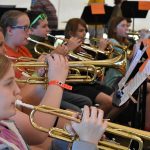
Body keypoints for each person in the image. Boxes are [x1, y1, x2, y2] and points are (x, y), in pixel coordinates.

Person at [0, 53, 107, 150]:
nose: (17, 90)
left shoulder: (5, 124)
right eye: (8, 83)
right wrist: (86, 144)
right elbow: (37, 133)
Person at [0, 10, 92, 113]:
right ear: (10, 30)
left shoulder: (23, 49)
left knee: (82, 105)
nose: (29, 32)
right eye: (25, 28)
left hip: (43, 92)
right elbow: (28, 85)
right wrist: (52, 59)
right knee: (76, 111)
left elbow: (37, 75)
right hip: (31, 101)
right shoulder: (6, 57)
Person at [64, 18, 113, 115]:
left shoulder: (85, 48)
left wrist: (103, 53)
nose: (84, 33)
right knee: (107, 101)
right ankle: (93, 122)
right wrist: (101, 50)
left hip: (88, 84)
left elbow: (101, 70)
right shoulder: (65, 48)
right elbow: (92, 71)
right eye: (81, 31)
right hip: (74, 86)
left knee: (114, 95)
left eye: (85, 31)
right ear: (70, 33)